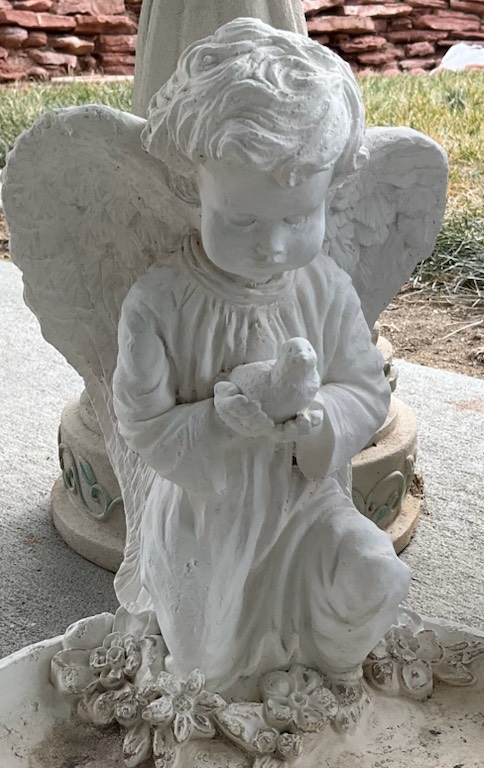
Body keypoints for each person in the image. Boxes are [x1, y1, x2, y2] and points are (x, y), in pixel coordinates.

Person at [113, 20, 410, 699]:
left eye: (298, 219)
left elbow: (365, 389)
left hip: (307, 506)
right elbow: (143, 425)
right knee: (205, 676)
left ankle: (320, 691)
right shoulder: (159, 302)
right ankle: (232, 681)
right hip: (207, 516)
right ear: (193, 189)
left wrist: (316, 417)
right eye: (243, 220)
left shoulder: (324, 287)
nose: (273, 246)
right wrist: (224, 421)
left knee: (377, 574)